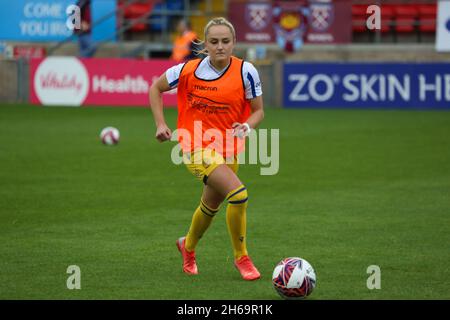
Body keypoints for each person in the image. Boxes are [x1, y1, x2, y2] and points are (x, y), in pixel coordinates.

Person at [149, 17, 264, 281]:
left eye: (226, 41)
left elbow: (259, 112)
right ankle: (242, 258)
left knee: (209, 207)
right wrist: (160, 124)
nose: (220, 46)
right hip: (193, 146)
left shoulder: (247, 71)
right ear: (205, 44)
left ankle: (187, 248)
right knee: (238, 195)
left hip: (229, 149)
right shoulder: (187, 70)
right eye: (214, 41)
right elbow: (155, 88)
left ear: (234, 43)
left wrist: (247, 127)